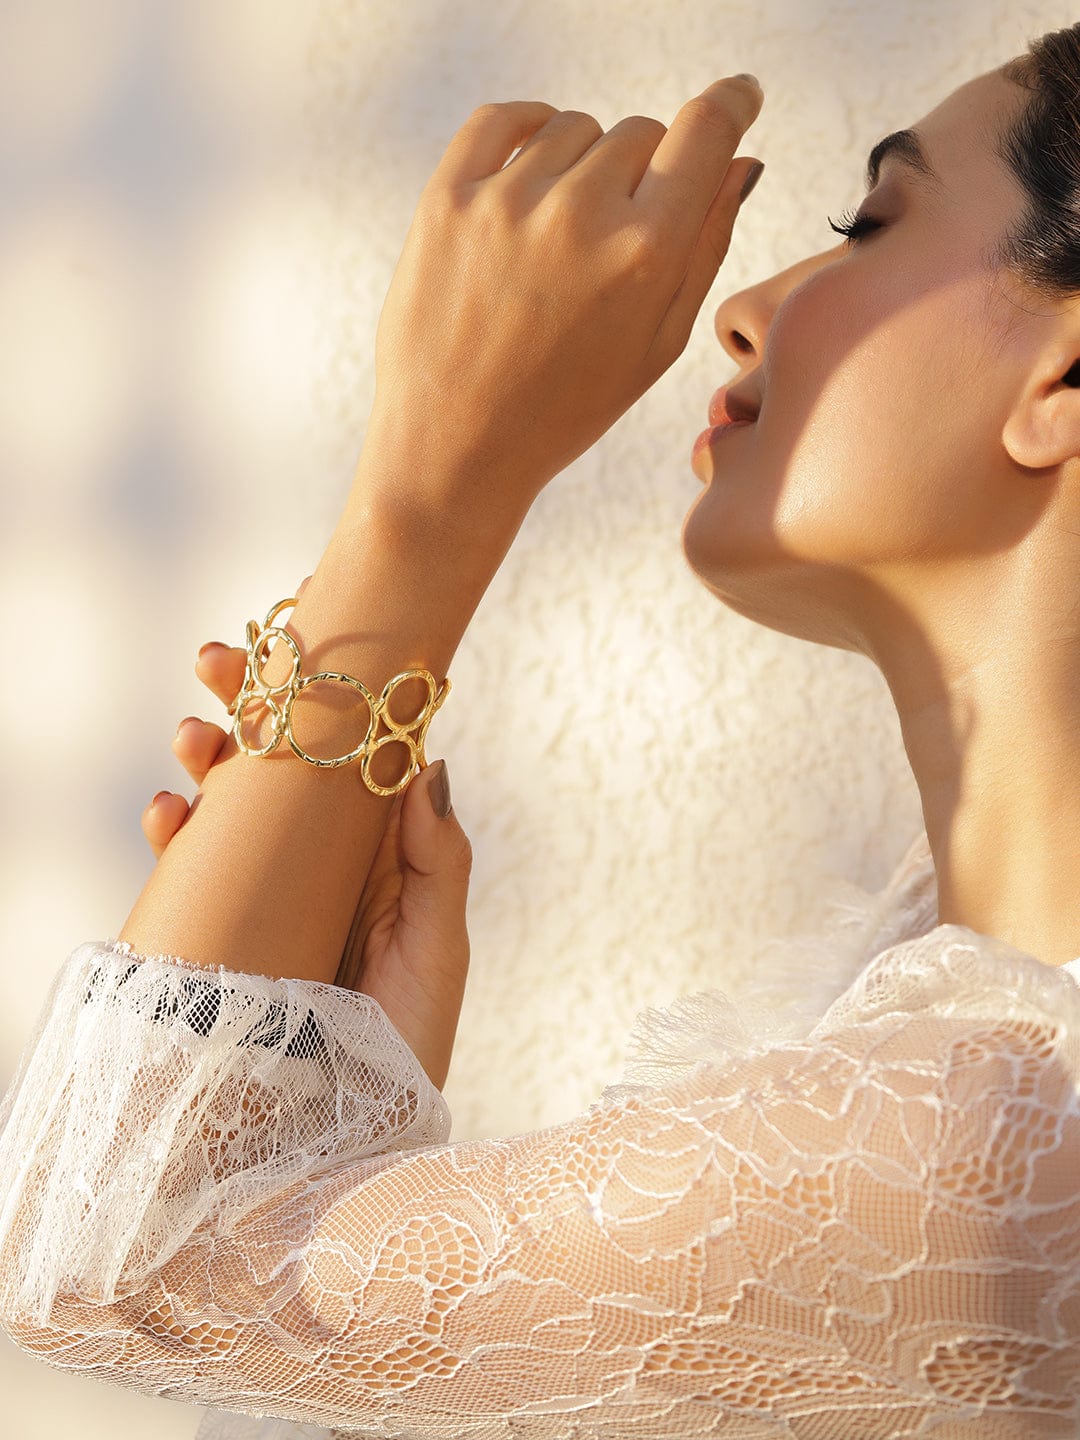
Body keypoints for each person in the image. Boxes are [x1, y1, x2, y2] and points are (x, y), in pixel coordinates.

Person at [1, 24, 1080, 1438]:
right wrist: (342, 1128)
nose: (743, 307)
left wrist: (431, 490)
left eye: (866, 223)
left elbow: (109, 1262)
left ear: (1065, 381)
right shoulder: (953, 1059)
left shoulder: (990, 1140)